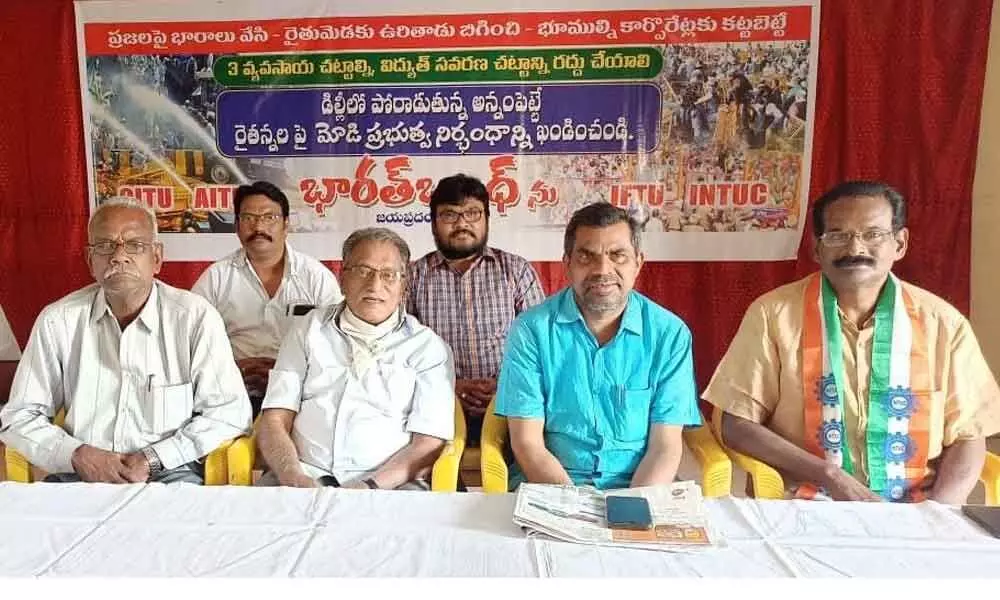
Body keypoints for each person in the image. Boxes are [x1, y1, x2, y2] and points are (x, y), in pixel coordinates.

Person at [703, 181, 1000, 503]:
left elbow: (970, 435)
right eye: (838, 235)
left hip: (917, 506)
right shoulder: (773, 314)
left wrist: (938, 513)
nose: (855, 249)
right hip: (805, 500)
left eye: (873, 234)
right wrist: (829, 475)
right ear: (817, 249)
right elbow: (737, 423)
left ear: (900, 243)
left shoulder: (944, 323)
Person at [0, 199, 251, 484]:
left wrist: (154, 458)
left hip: (169, 473)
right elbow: (18, 416)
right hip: (81, 474)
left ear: (156, 258)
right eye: (105, 245)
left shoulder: (194, 318)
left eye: (135, 245)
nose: (119, 256)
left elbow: (229, 411)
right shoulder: (59, 320)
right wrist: (77, 454)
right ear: (89, 260)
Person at [495, 202, 701, 490]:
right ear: (567, 264)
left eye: (618, 255)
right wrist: (575, 510)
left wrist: (630, 512)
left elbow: (664, 447)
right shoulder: (531, 331)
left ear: (638, 262)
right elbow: (528, 443)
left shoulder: (670, 334)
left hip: (640, 486)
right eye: (586, 257)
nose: (602, 270)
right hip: (552, 488)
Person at [256, 228, 454, 489]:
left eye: (388, 275)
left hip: (390, 483)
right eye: (363, 271)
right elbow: (274, 418)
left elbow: (428, 442)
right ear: (342, 277)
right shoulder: (307, 330)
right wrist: (291, 474)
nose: (374, 285)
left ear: (404, 285)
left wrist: (370, 486)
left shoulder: (427, 347)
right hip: (303, 475)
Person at [407, 174, 544, 446]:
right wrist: (451, 388)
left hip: (511, 402)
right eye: (449, 215)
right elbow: (401, 350)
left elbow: (541, 346)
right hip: (435, 404)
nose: (462, 224)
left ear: (487, 219)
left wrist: (504, 387)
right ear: (433, 224)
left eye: (472, 213)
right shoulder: (413, 277)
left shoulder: (515, 271)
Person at [192, 181, 342, 417]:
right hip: (233, 391)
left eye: (269, 217)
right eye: (249, 218)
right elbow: (192, 340)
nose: (259, 226)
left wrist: (285, 372)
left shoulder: (316, 277)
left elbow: (337, 343)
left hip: (300, 395)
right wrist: (231, 370)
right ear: (237, 227)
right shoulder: (216, 278)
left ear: (286, 225)